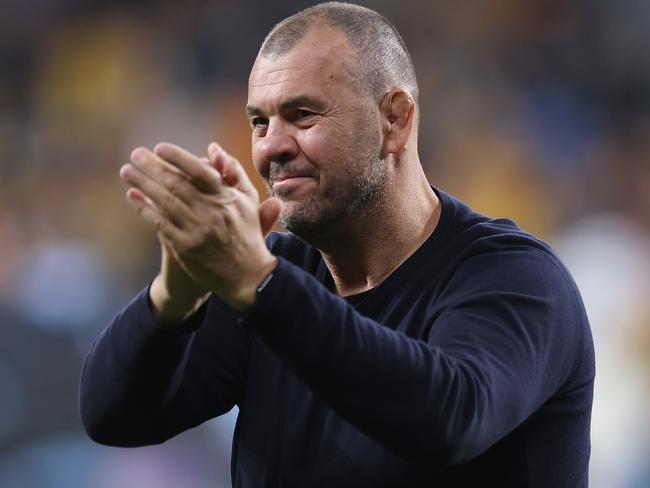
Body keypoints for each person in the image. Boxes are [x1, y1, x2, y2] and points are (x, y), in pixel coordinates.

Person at [79, 2, 594, 486]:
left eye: (303, 115)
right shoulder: (278, 274)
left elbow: (449, 420)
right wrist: (175, 291)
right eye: (260, 121)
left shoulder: (515, 278)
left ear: (394, 119)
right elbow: (114, 417)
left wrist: (258, 284)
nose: (271, 147)